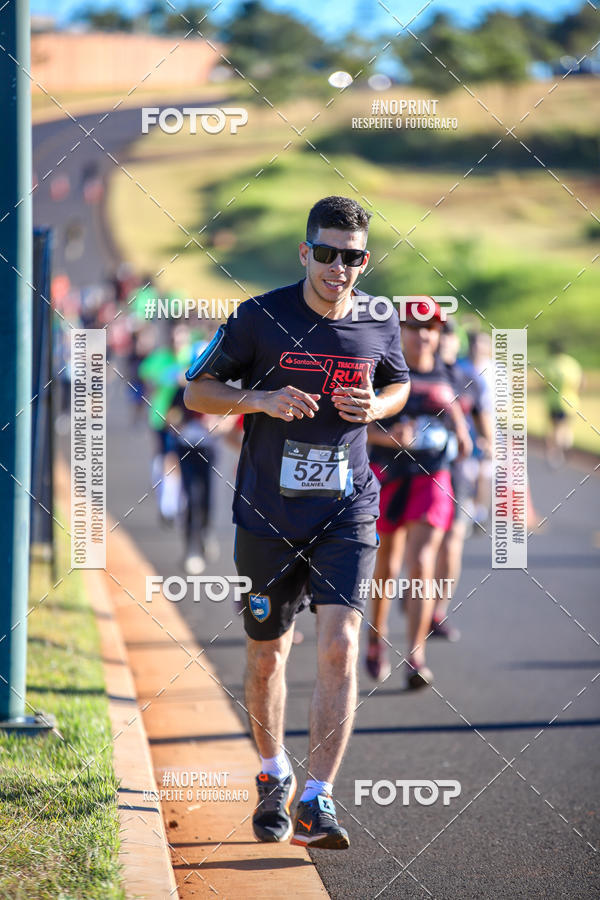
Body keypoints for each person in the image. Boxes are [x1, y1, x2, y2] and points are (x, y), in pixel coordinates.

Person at [184, 196, 410, 850]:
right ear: (305, 252)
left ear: (365, 261)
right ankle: (272, 772)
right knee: (267, 654)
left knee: (339, 645)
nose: (340, 268)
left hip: (349, 508)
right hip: (268, 514)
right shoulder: (259, 317)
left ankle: (318, 800)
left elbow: (399, 384)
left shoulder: (378, 319)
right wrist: (259, 398)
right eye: (328, 253)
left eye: (354, 257)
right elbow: (198, 392)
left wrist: (377, 404)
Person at [366, 301, 472, 687]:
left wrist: (462, 437)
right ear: (400, 330)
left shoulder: (450, 373)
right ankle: (376, 640)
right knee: (387, 568)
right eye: (414, 327)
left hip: (434, 478)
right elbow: (357, 427)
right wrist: (387, 437)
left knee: (423, 562)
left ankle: (416, 657)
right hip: (387, 476)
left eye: (432, 327)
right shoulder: (381, 371)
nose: (423, 335)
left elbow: (459, 414)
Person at [432, 320, 491, 641]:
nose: (442, 343)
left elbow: (484, 423)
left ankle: (437, 611)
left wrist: (487, 446)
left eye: (448, 338)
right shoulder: (411, 372)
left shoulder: (469, 379)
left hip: (457, 471)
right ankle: (416, 592)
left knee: (452, 542)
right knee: (420, 547)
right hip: (417, 472)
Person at [545, 339, 583, 467]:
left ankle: (557, 454)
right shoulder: (572, 364)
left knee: (556, 428)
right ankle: (566, 445)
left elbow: (544, 384)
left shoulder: (551, 364)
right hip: (571, 401)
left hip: (554, 402)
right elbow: (582, 382)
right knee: (566, 427)